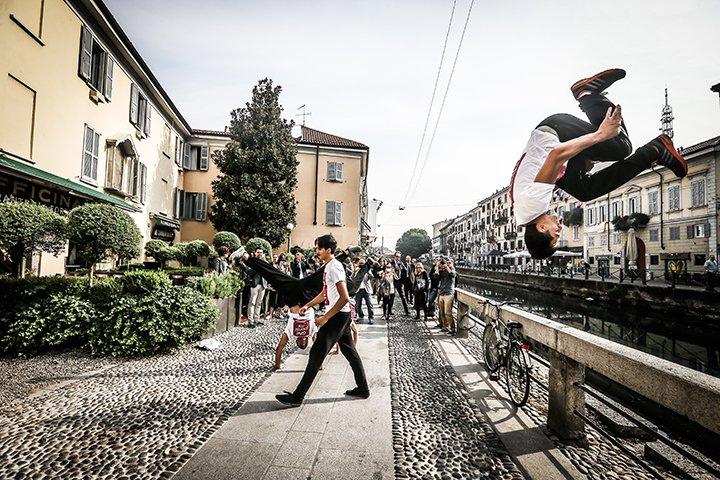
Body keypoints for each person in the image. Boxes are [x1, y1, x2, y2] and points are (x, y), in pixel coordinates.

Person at [511, 68, 687, 260]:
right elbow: (543, 167)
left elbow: (555, 155)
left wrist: (600, 135)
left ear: (542, 227)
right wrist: (576, 164)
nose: (559, 228)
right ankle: (651, 150)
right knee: (583, 191)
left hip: (557, 132)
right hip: (554, 135)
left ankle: (589, 96)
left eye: (555, 234)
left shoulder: (533, 204)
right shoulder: (525, 213)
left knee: (621, 147)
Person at [276, 234, 369, 407]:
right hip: (342, 315)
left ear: (328, 250)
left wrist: (325, 317)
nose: (316, 251)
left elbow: (344, 297)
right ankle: (363, 388)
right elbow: (326, 293)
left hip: (337, 316)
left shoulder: (334, 268)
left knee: (316, 353)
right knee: (350, 351)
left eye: (319, 248)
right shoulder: (328, 267)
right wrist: (308, 305)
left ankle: (297, 397)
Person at [274, 306, 318, 370]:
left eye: (301, 344)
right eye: (305, 344)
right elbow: (318, 348)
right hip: (308, 305)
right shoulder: (311, 332)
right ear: (308, 340)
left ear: (296, 341)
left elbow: (279, 348)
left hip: (295, 307)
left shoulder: (291, 333)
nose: (303, 343)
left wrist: (277, 365)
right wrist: (319, 365)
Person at [239, 247, 268, 328]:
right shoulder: (252, 261)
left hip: (263, 285)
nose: (260, 254)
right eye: (258, 252)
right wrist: (258, 267)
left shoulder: (264, 262)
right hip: (254, 284)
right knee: (252, 303)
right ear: (255, 253)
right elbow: (249, 271)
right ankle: (250, 321)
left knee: (259, 303)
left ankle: (256, 319)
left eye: (261, 252)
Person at [437, 259, 457, 333]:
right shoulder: (443, 271)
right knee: (442, 312)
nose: (447, 264)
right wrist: (437, 267)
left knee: (447, 313)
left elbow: (453, 275)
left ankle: (453, 328)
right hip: (441, 293)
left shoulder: (453, 270)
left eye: (449, 263)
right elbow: (437, 278)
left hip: (449, 294)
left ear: (452, 263)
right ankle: (445, 327)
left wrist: (448, 267)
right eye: (446, 263)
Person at [353, 258, 375, 324]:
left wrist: (367, 271)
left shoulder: (367, 270)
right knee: (357, 305)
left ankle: (371, 318)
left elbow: (372, 276)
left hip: (366, 289)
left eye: (363, 264)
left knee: (369, 304)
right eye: (360, 264)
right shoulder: (356, 270)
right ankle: (361, 316)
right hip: (358, 290)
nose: (361, 265)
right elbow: (353, 278)